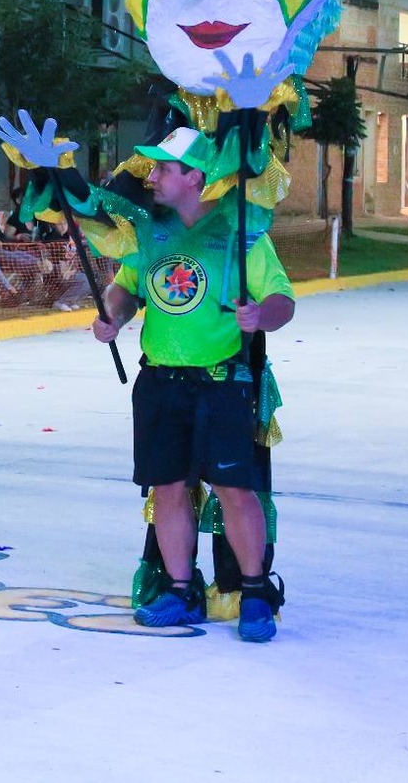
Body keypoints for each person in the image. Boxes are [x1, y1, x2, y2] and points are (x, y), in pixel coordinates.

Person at [86, 127, 295, 642]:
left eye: (164, 168)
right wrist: (112, 317)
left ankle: (253, 593)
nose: (153, 177)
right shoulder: (149, 230)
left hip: (221, 383)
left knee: (234, 490)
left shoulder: (241, 230)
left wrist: (260, 316)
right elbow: (126, 290)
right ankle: (181, 590)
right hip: (160, 382)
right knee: (168, 487)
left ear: (195, 178)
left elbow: (282, 300)